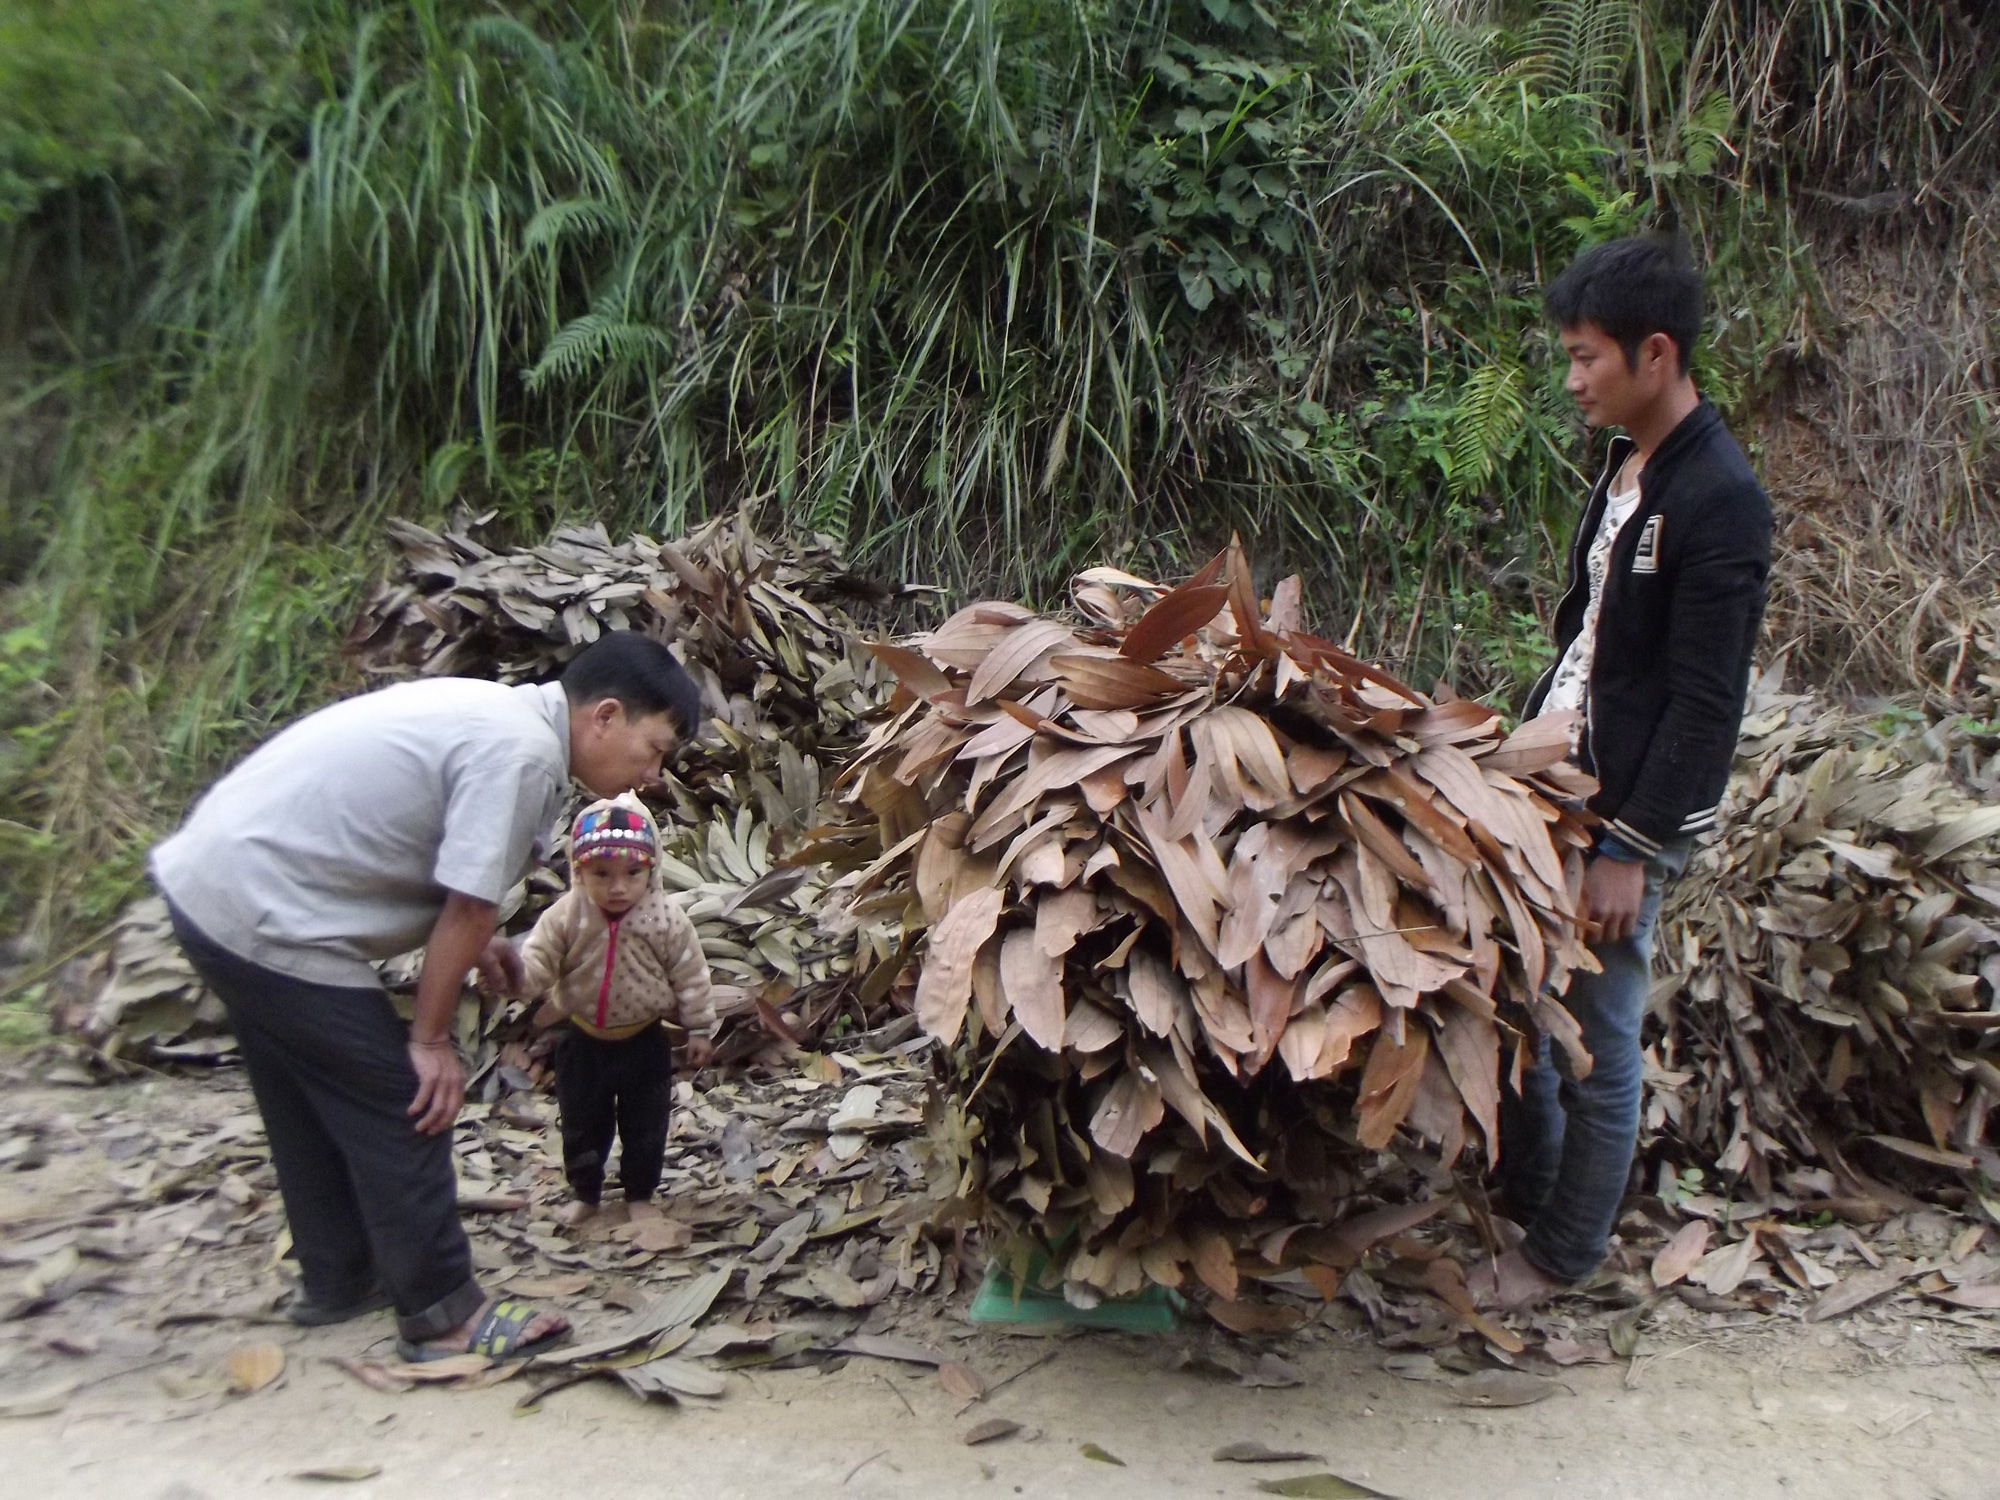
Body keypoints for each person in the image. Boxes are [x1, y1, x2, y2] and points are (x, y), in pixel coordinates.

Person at [151, 631, 704, 1360]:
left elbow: (452, 885)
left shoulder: (499, 719)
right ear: (604, 716)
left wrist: (481, 945)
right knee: (405, 1098)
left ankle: (340, 1277)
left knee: (305, 1097)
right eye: (655, 747)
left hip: (217, 886)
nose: (653, 771)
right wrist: (430, 1040)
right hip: (267, 907)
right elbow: (471, 901)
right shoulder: (523, 753)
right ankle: (446, 1314)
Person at [1480, 235, 1773, 1309]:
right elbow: (1594, 637)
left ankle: (1559, 1257)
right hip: (1560, 785)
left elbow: (1706, 705)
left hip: (1620, 816)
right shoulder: (1625, 465)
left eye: (1584, 357)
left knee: (1594, 1044)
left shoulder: (1720, 497)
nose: (1570, 381)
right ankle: (1526, 1194)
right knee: (1525, 1006)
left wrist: (1629, 852)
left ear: (1655, 355)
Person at [517, 795, 717, 1228]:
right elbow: (537, 962)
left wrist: (699, 1028)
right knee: (581, 1125)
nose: (617, 887)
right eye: (601, 874)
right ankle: (586, 1193)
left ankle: (640, 1193)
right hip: (584, 1042)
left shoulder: (666, 919)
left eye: (633, 873)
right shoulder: (566, 917)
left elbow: (691, 974)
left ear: (652, 869)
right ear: (578, 870)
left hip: (644, 1042)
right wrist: (513, 979)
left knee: (646, 1124)